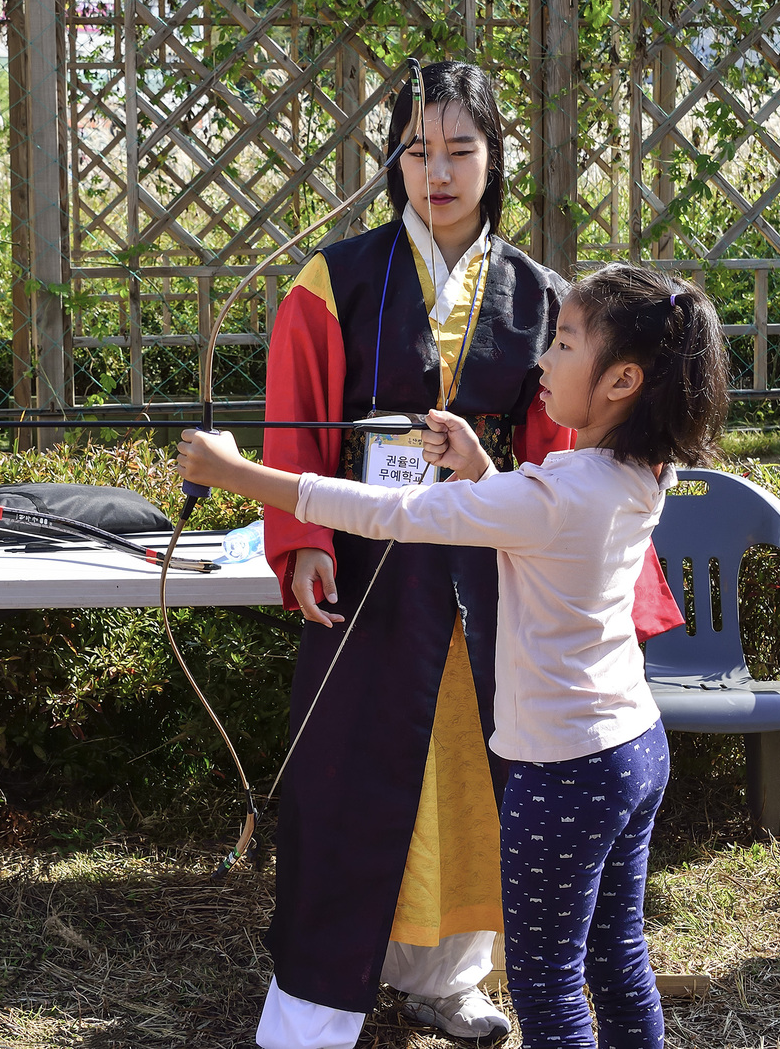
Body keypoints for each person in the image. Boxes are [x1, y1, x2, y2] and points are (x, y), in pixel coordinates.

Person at [181, 263, 730, 1049]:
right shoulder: (638, 472)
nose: (542, 359)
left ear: (622, 381)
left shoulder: (552, 496)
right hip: (634, 748)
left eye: (565, 343)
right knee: (616, 956)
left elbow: (391, 511)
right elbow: (540, 526)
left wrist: (237, 473)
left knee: (547, 983)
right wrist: (479, 468)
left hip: (565, 772)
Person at [253, 61, 685, 1047]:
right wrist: (302, 541)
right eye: (416, 151)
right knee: (351, 776)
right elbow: (294, 416)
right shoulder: (333, 280)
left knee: (479, 780)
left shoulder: (544, 297)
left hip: (496, 585)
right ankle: (316, 1003)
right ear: (392, 160)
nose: (437, 173)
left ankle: (447, 976)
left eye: (459, 150)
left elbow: (570, 460)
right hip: (367, 570)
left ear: (494, 160)